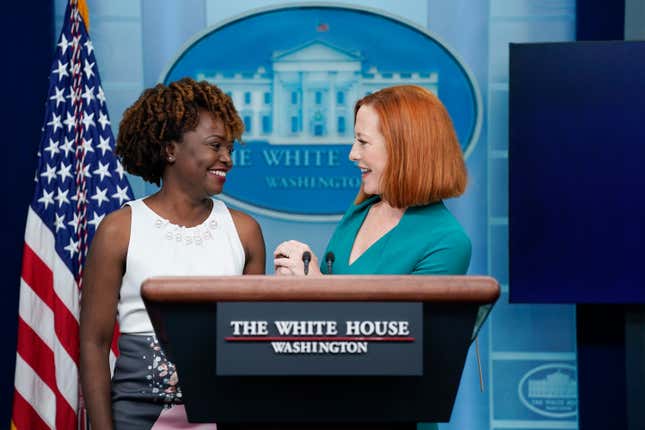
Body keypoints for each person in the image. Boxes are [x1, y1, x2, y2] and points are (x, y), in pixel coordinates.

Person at [79, 77, 265, 429]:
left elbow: (249, 348)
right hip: (135, 416)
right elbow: (94, 342)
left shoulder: (245, 232)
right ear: (170, 150)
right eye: (215, 146)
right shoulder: (118, 230)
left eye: (230, 148)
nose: (227, 158)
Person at [274, 84, 470, 277]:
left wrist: (314, 285)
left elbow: (401, 311)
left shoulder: (447, 242)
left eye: (363, 142)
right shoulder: (361, 211)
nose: (352, 154)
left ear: (405, 150)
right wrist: (296, 280)